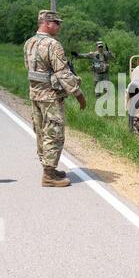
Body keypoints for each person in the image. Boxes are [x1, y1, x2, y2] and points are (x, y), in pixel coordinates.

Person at [24, 10, 86, 188]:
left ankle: (48, 167)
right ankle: (49, 175)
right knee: (54, 133)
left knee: (42, 131)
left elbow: (29, 68)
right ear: (47, 23)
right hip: (51, 97)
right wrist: (79, 95)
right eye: (57, 23)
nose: (59, 26)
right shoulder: (53, 45)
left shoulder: (29, 43)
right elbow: (63, 73)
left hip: (35, 94)